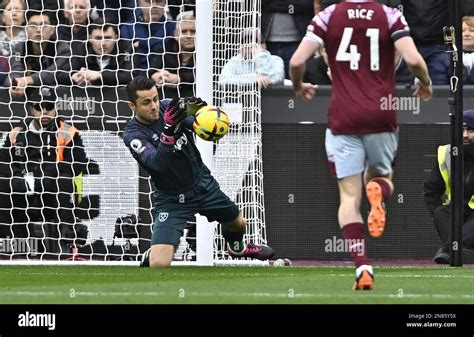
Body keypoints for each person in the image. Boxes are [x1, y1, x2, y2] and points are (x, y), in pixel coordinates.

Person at [289, 0, 432, 290]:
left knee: (349, 198)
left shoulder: (329, 15)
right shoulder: (389, 14)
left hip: (343, 117)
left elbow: (295, 62)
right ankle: (379, 190)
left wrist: (297, 86)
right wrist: (425, 83)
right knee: (381, 177)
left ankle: (362, 266)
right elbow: (415, 60)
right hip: (382, 113)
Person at [122, 77, 275, 267]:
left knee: (238, 223)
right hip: (172, 199)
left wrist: (203, 115)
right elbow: (157, 164)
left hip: (203, 185)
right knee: (159, 264)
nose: (154, 106)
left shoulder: (168, 107)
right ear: (132, 106)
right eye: (146, 102)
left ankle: (237, 248)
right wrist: (169, 130)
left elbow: (196, 125)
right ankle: (153, 252)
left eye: (155, 98)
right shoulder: (133, 134)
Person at [0, 87, 89, 253]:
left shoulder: (68, 131)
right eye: (39, 107)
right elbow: (3, 162)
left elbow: (78, 162)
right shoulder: (17, 133)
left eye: (49, 107)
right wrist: (19, 178)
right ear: (31, 109)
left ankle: (67, 242)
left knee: (64, 180)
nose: (44, 112)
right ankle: (12, 244)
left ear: (56, 107)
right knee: (3, 185)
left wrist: (46, 174)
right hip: (23, 189)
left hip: (52, 189)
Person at [424, 110, 474, 264]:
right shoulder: (446, 153)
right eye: (461, 130)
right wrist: (438, 217)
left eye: (471, 130)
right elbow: (431, 192)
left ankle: (450, 251)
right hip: (458, 209)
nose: (465, 135)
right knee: (441, 212)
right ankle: (455, 251)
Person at [8, 6, 71, 96]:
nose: (38, 30)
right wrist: (16, 83)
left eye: (43, 25)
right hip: (26, 96)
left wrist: (27, 79)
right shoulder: (19, 48)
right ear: (26, 30)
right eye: (33, 25)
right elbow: (16, 69)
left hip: (59, 96)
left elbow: (53, 72)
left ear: (52, 30)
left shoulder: (62, 48)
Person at [70, 18, 135, 86]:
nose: (103, 43)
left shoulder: (127, 49)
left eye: (108, 38)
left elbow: (129, 76)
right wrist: (76, 77)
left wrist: (99, 75)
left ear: (116, 38)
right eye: (98, 38)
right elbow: (64, 73)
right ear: (90, 38)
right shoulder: (81, 50)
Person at [219, 28, 285, 88]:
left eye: (254, 43)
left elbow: (278, 78)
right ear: (240, 47)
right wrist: (255, 78)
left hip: (270, 98)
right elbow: (223, 80)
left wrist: (260, 56)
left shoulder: (276, 60)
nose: (249, 47)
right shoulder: (234, 61)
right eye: (245, 43)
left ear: (264, 46)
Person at [149, 15, 196, 98]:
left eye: (193, 31)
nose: (189, 36)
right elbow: (153, 70)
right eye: (184, 31)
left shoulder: (207, 53)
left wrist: (180, 78)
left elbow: (210, 76)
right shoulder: (165, 47)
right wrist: (157, 76)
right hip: (168, 96)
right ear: (176, 35)